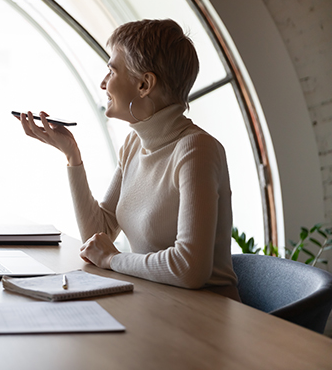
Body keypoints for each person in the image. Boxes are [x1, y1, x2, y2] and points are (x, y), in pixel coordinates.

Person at [16, 19, 239, 301]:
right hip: (157, 301)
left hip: (207, 312)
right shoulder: (135, 143)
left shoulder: (196, 150)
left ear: (145, 84)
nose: (103, 82)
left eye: (111, 70)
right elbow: (99, 235)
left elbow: (189, 269)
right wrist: (72, 155)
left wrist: (113, 260)